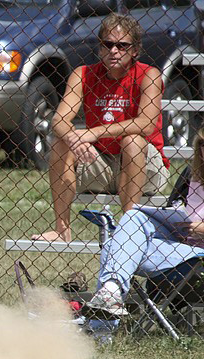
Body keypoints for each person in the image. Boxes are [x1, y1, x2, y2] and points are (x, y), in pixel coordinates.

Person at [31, 14, 169, 242]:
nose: (114, 51)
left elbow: (146, 124)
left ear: (134, 50)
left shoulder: (149, 75)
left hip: (145, 165)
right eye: (108, 44)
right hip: (100, 161)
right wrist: (75, 140)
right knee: (60, 143)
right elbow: (59, 121)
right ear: (100, 48)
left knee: (132, 141)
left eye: (122, 45)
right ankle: (61, 229)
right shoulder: (82, 74)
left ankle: (128, 233)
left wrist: (93, 133)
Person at [87, 127, 204, 316]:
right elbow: (174, 206)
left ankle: (102, 324)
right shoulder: (192, 176)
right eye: (202, 145)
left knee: (114, 247)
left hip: (198, 256)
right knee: (134, 216)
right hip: (180, 245)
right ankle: (111, 291)